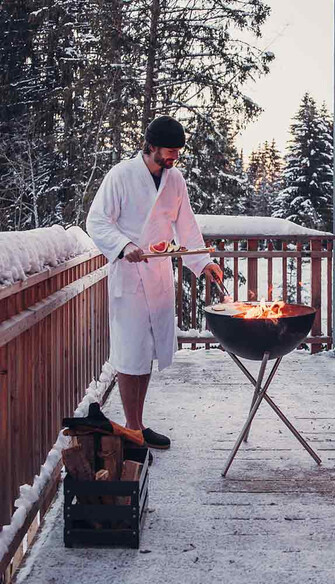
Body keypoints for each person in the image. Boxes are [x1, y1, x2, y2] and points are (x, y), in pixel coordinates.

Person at [86, 115, 223, 450]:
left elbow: (187, 226)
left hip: (159, 274)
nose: (174, 158)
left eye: (178, 152)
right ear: (150, 146)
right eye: (169, 151)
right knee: (130, 352)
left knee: (145, 352)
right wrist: (124, 246)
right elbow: (97, 221)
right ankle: (133, 429)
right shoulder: (121, 175)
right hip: (130, 274)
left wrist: (203, 262)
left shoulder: (175, 181)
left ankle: (137, 426)